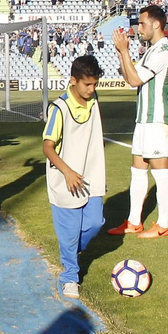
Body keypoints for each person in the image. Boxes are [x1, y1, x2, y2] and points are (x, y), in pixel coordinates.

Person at [108, 6, 168, 239]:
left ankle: (163, 224)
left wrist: (125, 51)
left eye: (142, 24)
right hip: (143, 119)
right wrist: (121, 53)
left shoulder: (165, 50)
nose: (139, 28)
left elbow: (136, 79)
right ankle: (134, 221)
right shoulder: (151, 50)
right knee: (138, 170)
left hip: (157, 119)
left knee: (160, 170)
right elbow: (130, 78)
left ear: (156, 24)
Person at [43, 55, 106, 299]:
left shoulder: (94, 99)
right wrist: (67, 172)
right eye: (87, 85)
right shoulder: (59, 108)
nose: (92, 90)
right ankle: (70, 276)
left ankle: (68, 250)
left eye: (94, 84)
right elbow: (47, 147)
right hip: (65, 179)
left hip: (91, 176)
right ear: (73, 81)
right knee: (70, 232)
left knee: (95, 223)